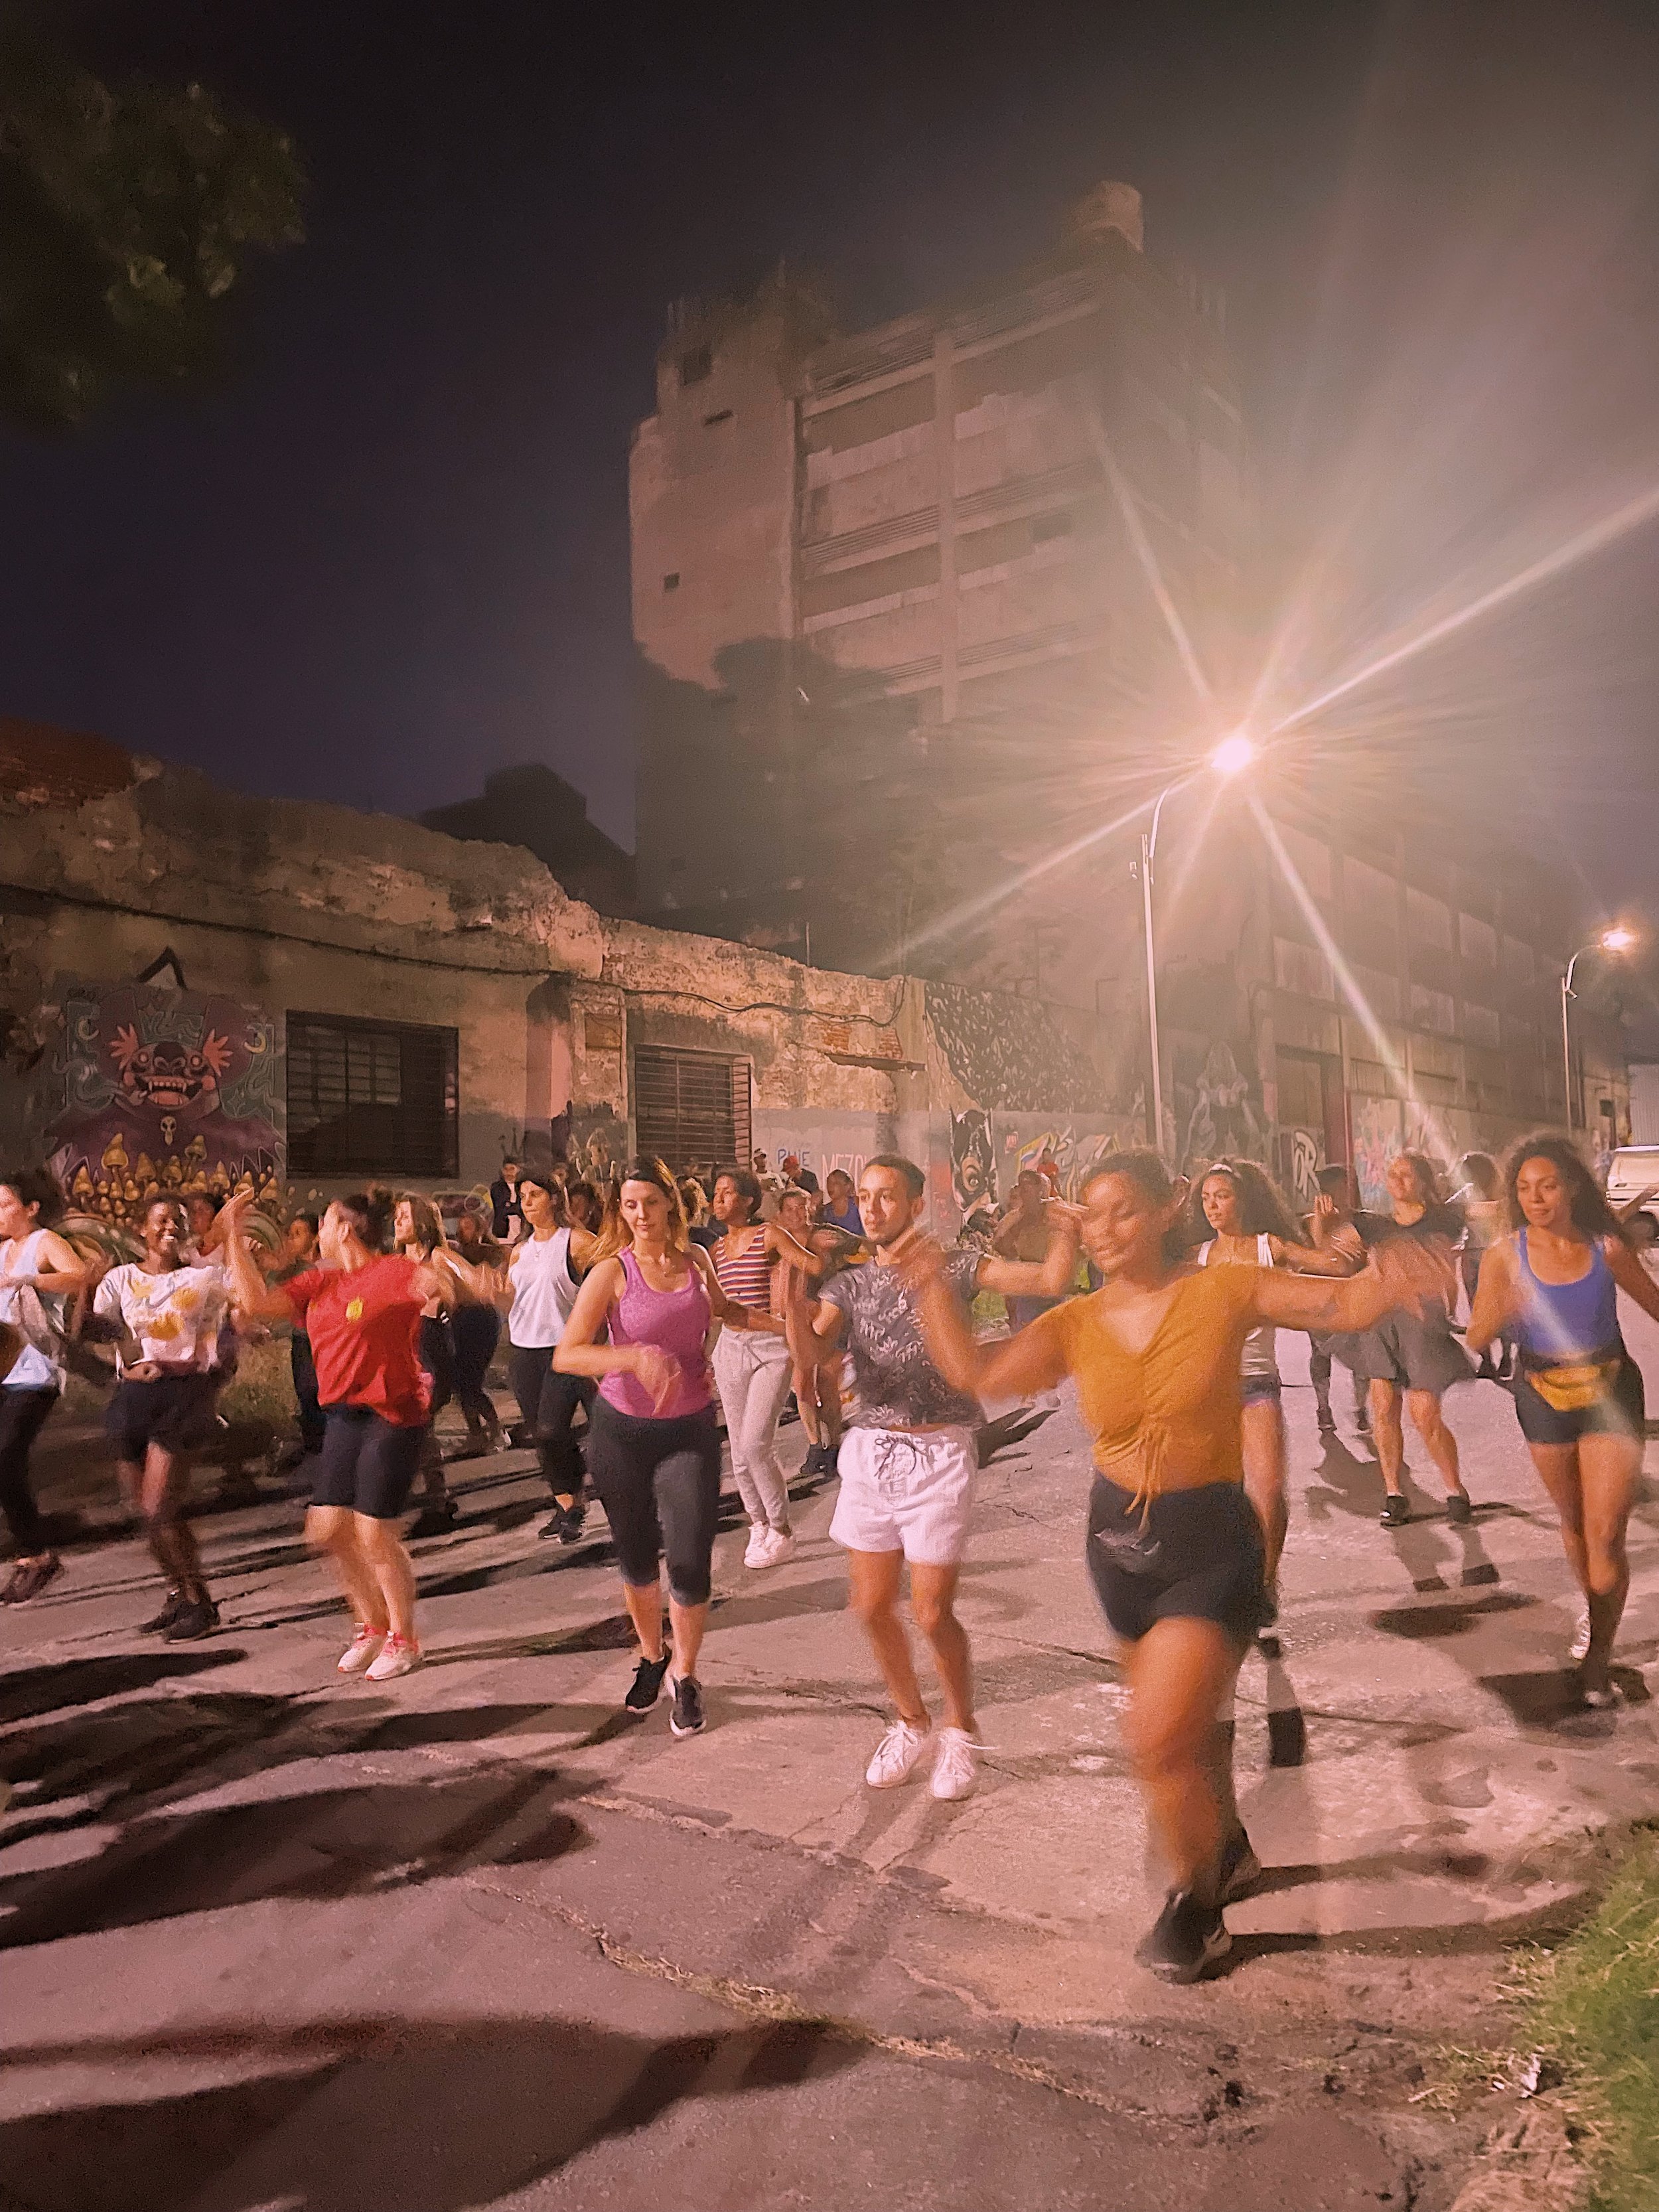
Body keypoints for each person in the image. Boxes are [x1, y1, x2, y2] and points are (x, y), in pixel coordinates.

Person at [909, 1150, 1445, 1980]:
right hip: (1117, 1549)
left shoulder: (1219, 1289)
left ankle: (1198, 1909)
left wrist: (1396, 1260)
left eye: (1125, 1209)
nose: (1106, 1229)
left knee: (1156, 1741)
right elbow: (977, 1374)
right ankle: (1227, 1849)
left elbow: (1340, 1303)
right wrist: (929, 1291)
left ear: (1170, 1209)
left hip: (1208, 1545)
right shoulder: (1075, 1322)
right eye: (1092, 1214)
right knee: (1185, 1741)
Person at [790, 1155, 1081, 1804]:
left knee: (930, 1611)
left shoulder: (956, 1265)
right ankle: (910, 1722)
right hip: (870, 1450)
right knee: (869, 1606)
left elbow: (1052, 1277)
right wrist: (789, 1283)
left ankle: (960, 1727)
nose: (872, 1208)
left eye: (887, 1196)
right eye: (864, 1197)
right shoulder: (852, 1284)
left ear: (916, 1203)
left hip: (940, 1449)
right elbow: (810, 1356)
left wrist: (1062, 1225)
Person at [554, 1157, 767, 1737]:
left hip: (689, 1427)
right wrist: (632, 1356)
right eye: (629, 1204)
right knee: (638, 1554)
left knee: (692, 1557)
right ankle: (651, 1656)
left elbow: (725, 1311)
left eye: (649, 1201)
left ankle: (687, 1673)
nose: (641, 1214)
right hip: (622, 1431)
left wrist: (795, 1328)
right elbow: (567, 1353)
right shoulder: (612, 1271)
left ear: (669, 1201)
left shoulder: (697, 1260)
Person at [1468, 1136, 1659, 1707]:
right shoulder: (1504, 1254)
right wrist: (1508, 1308)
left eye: (1547, 1185)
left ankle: (1598, 1656)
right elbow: (1477, 1336)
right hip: (1542, 1394)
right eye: (1525, 1188)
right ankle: (1594, 1610)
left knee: (1606, 1533)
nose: (1536, 1197)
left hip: (1611, 1392)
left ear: (1572, 1186)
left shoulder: (1608, 1247)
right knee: (1574, 1523)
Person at [224, 1188, 441, 1680]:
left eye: (323, 1221)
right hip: (344, 1415)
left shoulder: (391, 1271)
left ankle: (406, 1639)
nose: (318, 1231)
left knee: (372, 1532)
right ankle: (372, 1625)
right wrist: (232, 1234)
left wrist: (470, 1282)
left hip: (394, 1412)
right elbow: (255, 1301)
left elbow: (435, 1281)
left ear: (344, 1228)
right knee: (326, 1530)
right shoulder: (321, 1281)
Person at [1183, 1159, 1359, 1603]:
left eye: (1221, 1195)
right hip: (1210, 1388)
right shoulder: (1197, 1258)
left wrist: (1327, 1226)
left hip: (1259, 1382)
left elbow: (1334, 1266)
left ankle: (1264, 1581)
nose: (1212, 1206)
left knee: (1269, 1488)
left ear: (1241, 1198)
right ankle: (1229, 1578)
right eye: (1205, 1198)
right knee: (1217, 1494)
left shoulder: (1269, 1247)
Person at [90, 1195, 232, 1639]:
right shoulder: (119, 1279)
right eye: (161, 1220)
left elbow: (230, 1330)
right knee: (144, 1512)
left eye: (179, 1221)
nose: (171, 1227)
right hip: (134, 1395)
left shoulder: (206, 1277)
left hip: (184, 1394)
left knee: (159, 1506)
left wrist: (214, 1383)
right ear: (142, 1230)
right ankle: (178, 1591)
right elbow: (97, 1330)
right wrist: (84, 1286)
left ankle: (200, 1602)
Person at [1319, 1151, 1472, 1528]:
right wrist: (1323, 1224)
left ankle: (1455, 1489)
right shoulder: (1373, 1225)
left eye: (1407, 1175)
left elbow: (1491, 1214)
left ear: (1423, 1181)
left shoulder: (1445, 1219)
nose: (1398, 1181)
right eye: (1393, 1175)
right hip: (1381, 1324)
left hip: (1423, 1327)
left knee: (1425, 1413)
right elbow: (1329, 1257)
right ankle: (1394, 1492)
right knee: (1384, 1409)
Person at [707, 1166, 823, 1568]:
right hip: (730, 1348)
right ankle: (758, 1525)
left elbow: (812, 1264)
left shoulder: (769, 1235)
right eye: (716, 1193)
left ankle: (782, 1529)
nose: (718, 1199)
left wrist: (801, 1316)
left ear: (748, 1200)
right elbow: (716, 1311)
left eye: (726, 1193)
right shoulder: (716, 1250)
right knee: (739, 1452)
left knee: (756, 1443)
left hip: (771, 1348)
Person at [0, 1170, 88, 1603]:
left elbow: (78, 1276)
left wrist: (29, 1280)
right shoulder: (1, 1251)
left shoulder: (44, 1243)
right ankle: (31, 1546)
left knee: (6, 1455)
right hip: (3, 1370)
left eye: (4, 1204)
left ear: (30, 1208)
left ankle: (36, 1553)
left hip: (35, 1371)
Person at [502, 1169, 599, 1542]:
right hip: (524, 1352)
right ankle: (568, 1506)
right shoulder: (519, 1251)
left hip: (566, 1350)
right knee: (543, 1438)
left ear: (554, 1199)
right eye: (522, 1196)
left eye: (534, 1195)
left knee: (554, 1428)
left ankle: (588, 1500)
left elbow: (612, 1277)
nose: (526, 1203)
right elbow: (511, 1297)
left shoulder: (576, 1241)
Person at [776, 1182, 843, 1480]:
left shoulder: (823, 1234)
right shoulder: (774, 1242)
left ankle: (836, 1446)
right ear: (780, 1215)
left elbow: (858, 1246)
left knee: (827, 1386)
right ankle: (816, 1446)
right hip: (793, 1322)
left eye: (802, 1208)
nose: (797, 1215)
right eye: (790, 1210)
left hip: (827, 1319)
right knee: (802, 1387)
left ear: (811, 1209)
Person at [1303, 1167, 1372, 1437]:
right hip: (1321, 1301)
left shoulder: (1361, 1221)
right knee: (1321, 1355)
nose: (1345, 1194)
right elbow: (1312, 1258)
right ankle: (1323, 1407)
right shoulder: (1310, 1222)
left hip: (1355, 1298)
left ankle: (1361, 1407)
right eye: (1338, 1189)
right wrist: (1321, 1223)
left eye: (1348, 1188)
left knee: (1364, 1355)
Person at [273, 1213, 326, 1464]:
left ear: (315, 1237)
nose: (292, 1239)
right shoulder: (293, 1269)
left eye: (299, 1233)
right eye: (290, 1234)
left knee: (317, 1394)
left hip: (319, 1341)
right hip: (301, 1339)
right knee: (306, 1395)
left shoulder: (321, 1270)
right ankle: (315, 1451)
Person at [1455, 1153, 1512, 1382]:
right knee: (1477, 1309)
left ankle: (1506, 1355)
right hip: (1472, 1256)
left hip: (1497, 1257)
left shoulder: (1502, 1193)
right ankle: (1487, 1359)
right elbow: (1448, 1212)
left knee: (1501, 1307)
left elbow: (1506, 1214)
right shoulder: (1466, 1192)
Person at [821, 1169, 865, 1244]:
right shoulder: (825, 1211)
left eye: (835, 1183)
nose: (830, 1186)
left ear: (847, 1186)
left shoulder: (859, 1204)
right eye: (829, 1182)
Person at [489, 1158, 524, 1246]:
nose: (509, 1173)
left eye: (512, 1169)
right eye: (506, 1169)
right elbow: (500, 1207)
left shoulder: (523, 1186)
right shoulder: (497, 1188)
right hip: (502, 1230)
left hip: (521, 1230)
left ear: (518, 1170)